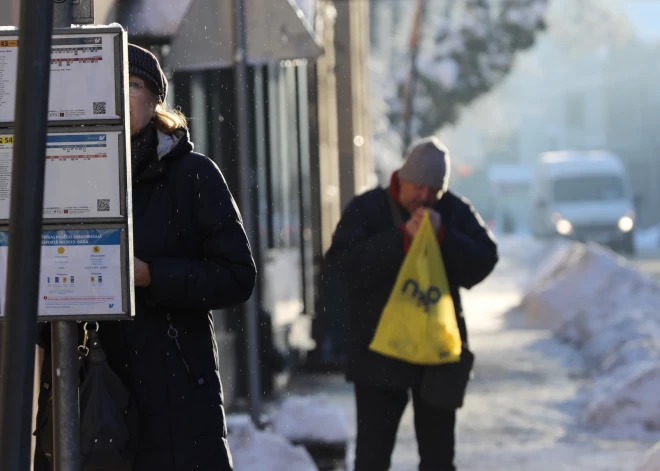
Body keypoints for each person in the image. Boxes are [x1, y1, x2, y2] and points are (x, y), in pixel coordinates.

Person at [34, 44, 256, 471]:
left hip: (177, 403)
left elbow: (236, 276)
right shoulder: (63, 173)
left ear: (156, 99)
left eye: (132, 84)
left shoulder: (193, 175)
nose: (118, 92)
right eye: (108, 82)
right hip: (91, 395)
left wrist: (152, 276)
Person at [325, 137, 498, 471]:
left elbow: (485, 260)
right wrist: (401, 239)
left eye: (434, 191)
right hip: (379, 356)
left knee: (438, 460)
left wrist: (444, 236)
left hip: (437, 357)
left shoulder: (451, 210)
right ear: (400, 178)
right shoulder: (367, 209)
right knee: (373, 459)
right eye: (419, 187)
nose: (425, 198)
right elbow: (342, 267)